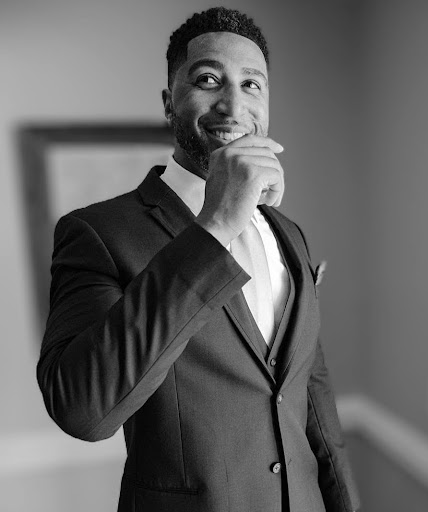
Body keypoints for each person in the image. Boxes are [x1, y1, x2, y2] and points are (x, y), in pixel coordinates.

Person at [37, 7, 359, 512]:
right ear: (170, 103)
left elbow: (312, 394)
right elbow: (82, 408)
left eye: (251, 84)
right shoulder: (98, 233)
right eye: (209, 79)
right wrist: (216, 226)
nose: (233, 104)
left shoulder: (289, 233)